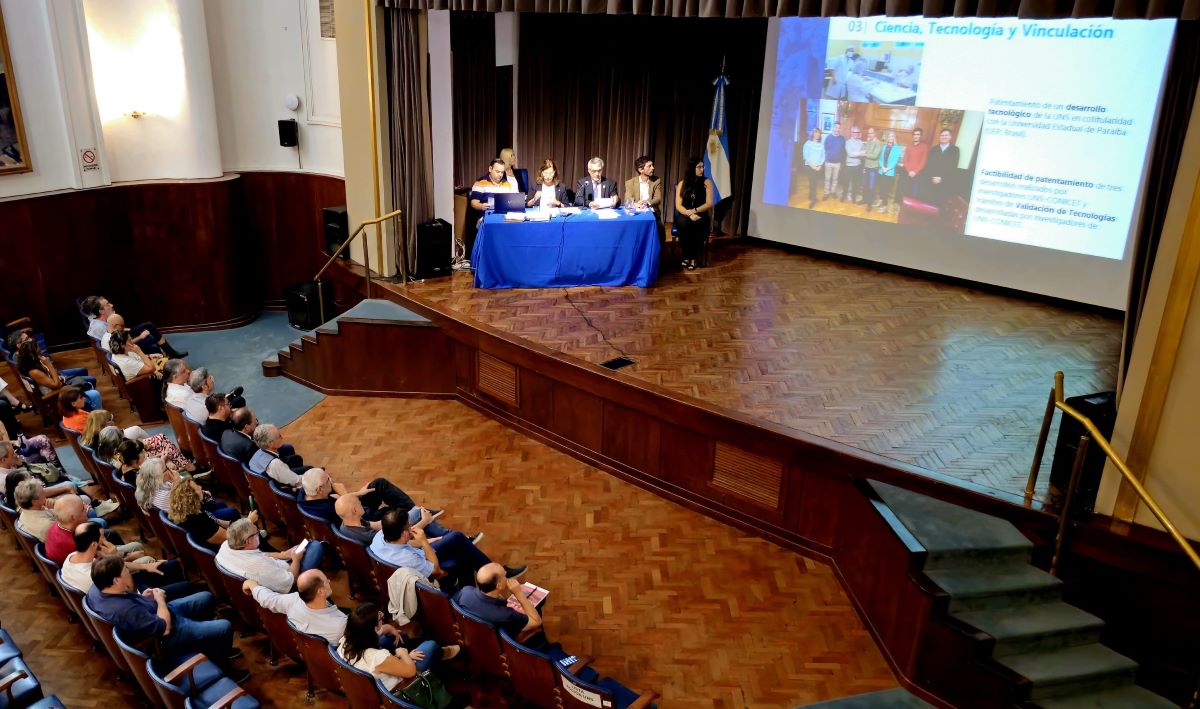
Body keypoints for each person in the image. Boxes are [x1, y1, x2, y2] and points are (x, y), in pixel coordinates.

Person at [86, 555, 245, 680]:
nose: (129, 573)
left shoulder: (97, 588)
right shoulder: (125, 610)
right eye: (125, 571)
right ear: (115, 580)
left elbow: (129, 600)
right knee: (224, 626)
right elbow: (165, 628)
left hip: (156, 611)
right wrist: (160, 600)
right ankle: (225, 667)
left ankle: (209, 644)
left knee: (206, 597)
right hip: (168, 634)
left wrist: (145, 598)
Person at [370, 508, 524, 591]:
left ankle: (484, 579)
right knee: (462, 553)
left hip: (417, 557)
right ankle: (492, 577)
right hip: (427, 570)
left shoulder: (381, 536)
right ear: (404, 532)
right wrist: (424, 542)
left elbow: (405, 544)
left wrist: (430, 541)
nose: (412, 527)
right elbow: (436, 570)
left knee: (456, 539)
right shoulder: (407, 559)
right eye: (409, 526)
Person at [336, 602, 458, 693]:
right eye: (380, 618)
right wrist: (404, 654)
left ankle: (437, 655)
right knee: (430, 647)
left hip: (379, 674)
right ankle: (443, 654)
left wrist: (390, 629)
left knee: (400, 636)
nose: (382, 618)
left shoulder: (345, 641)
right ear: (373, 629)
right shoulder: (377, 657)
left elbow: (379, 663)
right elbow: (410, 672)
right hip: (400, 687)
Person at [62, 521, 195, 595]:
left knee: (171, 566)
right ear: (94, 545)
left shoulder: (73, 556)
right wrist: (114, 557)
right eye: (102, 537)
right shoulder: (92, 576)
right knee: (187, 587)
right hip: (135, 595)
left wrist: (145, 566)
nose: (105, 540)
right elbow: (128, 587)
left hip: (126, 583)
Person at [216, 518, 324, 594]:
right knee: (315, 546)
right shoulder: (258, 565)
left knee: (308, 546)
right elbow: (290, 582)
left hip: (276, 570)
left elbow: (260, 555)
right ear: (247, 541)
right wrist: (296, 560)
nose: (259, 533)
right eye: (256, 533)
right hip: (289, 582)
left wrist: (283, 554)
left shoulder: (227, 545)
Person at [243, 570, 347, 645]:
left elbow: (268, 599)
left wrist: (252, 585)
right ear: (320, 591)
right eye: (326, 580)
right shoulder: (341, 626)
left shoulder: (292, 600)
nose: (329, 580)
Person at [454, 563, 544, 645]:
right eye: (505, 576)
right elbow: (536, 622)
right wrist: (519, 593)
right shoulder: (506, 614)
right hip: (500, 643)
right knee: (539, 604)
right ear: (499, 586)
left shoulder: (465, 591)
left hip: (474, 637)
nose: (507, 577)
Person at [45, 493, 138, 564]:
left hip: (94, 559)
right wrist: (125, 557)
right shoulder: (78, 543)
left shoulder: (57, 525)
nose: (88, 507)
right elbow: (104, 563)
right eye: (82, 508)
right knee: (137, 547)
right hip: (102, 571)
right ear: (73, 518)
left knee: (111, 533)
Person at [81, 295, 187, 358]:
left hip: (121, 341)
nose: (112, 305)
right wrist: (141, 337)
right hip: (121, 352)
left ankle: (171, 354)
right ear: (101, 311)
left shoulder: (96, 320)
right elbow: (120, 347)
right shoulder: (102, 328)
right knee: (149, 339)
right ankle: (164, 362)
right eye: (108, 304)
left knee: (148, 326)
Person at [335, 492, 453, 545]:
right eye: (358, 502)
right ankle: (448, 536)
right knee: (420, 514)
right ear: (355, 510)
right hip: (400, 545)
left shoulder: (349, 523)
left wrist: (395, 520)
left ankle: (444, 533)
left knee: (417, 513)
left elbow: (376, 524)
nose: (361, 502)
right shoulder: (368, 536)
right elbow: (400, 537)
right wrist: (424, 521)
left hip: (393, 536)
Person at [16, 339, 101, 411]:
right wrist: (49, 364)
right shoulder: (34, 372)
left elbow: (51, 377)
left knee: (89, 381)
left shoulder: (36, 363)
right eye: (38, 351)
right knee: (94, 393)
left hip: (60, 388)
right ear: (33, 355)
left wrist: (56, 375)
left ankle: (89, 408)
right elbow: (56, 385)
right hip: (55, 396)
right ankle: (91, 412)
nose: (41, 352)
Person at [464, 159, 519, 269]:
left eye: (502, 172)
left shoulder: (506, 184)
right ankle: (488, 264)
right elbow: (473, 203)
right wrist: (481, 206)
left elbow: (511, 202)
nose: (500, 175)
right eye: (497, 171)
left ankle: (508, 262)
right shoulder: (480, 183)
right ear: (490, 169)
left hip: (503, 216)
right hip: (486, 217)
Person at [168, 477, 247, 550]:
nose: (200, 487)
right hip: (222, 550)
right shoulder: (199, 520)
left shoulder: (189, 509)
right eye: (197, 488)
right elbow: (228, 537)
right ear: (191, 497)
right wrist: (248, 521)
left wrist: (237, 524)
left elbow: (215, 519)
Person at [674, 157, 714, 272]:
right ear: (692, 168)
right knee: (683, 224)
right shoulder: (682, 183)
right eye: (699, 167)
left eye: (703, 167)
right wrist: (689, 213)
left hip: (701, 213)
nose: (702, 169)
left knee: (698, 224)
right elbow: (678, 205)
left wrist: (695, 210)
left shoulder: (707, 182)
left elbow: (709, 203)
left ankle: (693, 257)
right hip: (685, 214)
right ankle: (686, 255)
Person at [249, 424, 308, 488]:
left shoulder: (257, 453)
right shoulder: (275, 464)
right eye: (279, 436)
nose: (282, 437)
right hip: (282, 487)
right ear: (270, 444)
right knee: (309, 469)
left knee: (296, 459)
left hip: (268, 482)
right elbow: (297, 481)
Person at [922, 128, 960, 205]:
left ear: (950, 137)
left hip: (944, 182)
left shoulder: (955, 150)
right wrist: (932, 178)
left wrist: (941, 178)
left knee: (938, 204)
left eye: (946, 135)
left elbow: (953, 167)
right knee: (927, 202)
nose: (944, 137)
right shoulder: (933, 149)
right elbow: (928, 165)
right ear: (939, 137)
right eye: (942, 135)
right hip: (930, 181)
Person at [875, 131, 904, 214]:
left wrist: (887, 168)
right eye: (889, 136)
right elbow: (880, 159)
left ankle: (885, 206)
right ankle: (881, 202)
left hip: (889, 172)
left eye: (892, 136)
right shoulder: (884, 147)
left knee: (885, 189)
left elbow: (895, 161)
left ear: (894, 138)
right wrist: (882, 167)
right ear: (888, 138)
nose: (891, 138)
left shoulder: (897, 148)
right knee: (880, 188)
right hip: (881, 171)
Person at [899, 128, 928, 201]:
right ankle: (903, 208)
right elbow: (905, 160)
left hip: (917, 174)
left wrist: (914, 172)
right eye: (914, 134)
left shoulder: (924, 147)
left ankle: (910, 210)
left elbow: (923, 162)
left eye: (918, 134)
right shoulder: (909, 146)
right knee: (904, 191)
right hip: (907, 173)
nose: (916, 136)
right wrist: (909, 171)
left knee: (913, 193)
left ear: (920, 136)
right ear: (913, 136)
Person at [802, 128, 825, 209]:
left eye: (819, 133)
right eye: (816, 133)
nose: (817, 134)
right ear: (813, 134)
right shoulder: (808, 143)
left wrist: (820, 166)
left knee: (815, 183)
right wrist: (814, 167)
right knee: (813, 183)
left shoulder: (821, 145)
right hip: (809, 167)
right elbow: (806, 157)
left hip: (818, 167)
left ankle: (811, 196)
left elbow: (823, 156)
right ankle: (813, 200)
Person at [843, 125, 866, 204]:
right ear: (851, 133)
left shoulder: (860, 142)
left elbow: (864, 153)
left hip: (858, 166)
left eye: (857, 132)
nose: (856, 134)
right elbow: (850, 154)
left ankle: (853, 198)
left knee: (855, 183)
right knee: (846, 182)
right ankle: (844, 196)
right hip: (849, 166)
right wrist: (859, 153)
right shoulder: (848, 142)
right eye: (854, 132)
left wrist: (858, 153)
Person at [822, 123, 845, 199]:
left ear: (840, 129)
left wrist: (841, 162)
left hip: (837, 163)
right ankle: (826, 193)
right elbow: (825, 148)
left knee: (835, 179)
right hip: (828, 162)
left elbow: (843, 150)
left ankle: (833, 192)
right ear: (833, 128)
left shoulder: (842, 138)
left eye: (839, 128)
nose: (837, 129)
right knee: (827, 178)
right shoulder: (828, 137)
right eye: (836, 127)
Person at [862, 127, 883, 210]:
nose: (869, 135)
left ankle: (869, 204)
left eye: (871, 133)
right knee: (865, 185)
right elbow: (866, 150)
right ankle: (865, 200)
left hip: (873, 169)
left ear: (874, 133)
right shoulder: (869, 142)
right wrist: (867, 144)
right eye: (869, 133)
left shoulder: (878, 143)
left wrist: (865, 154)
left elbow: (875, 156)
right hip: (866, 167)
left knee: (871, 187)